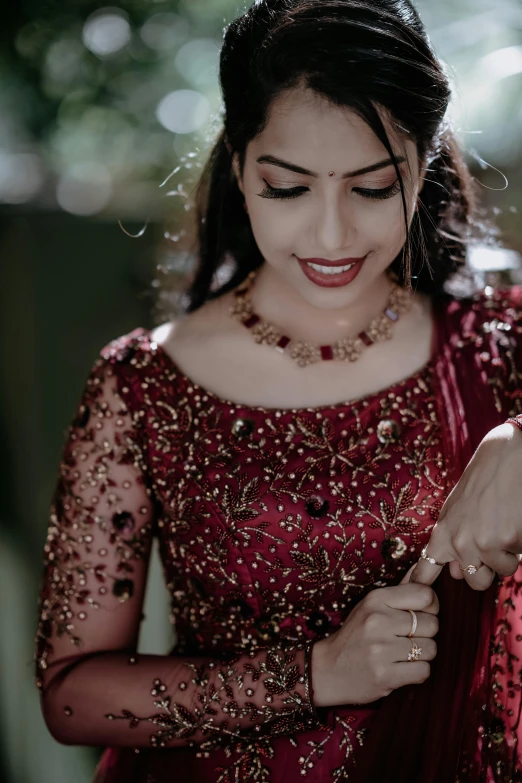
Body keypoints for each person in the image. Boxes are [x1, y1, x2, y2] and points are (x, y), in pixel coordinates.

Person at [33, 1, 522, 781]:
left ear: (423, 166)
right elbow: (70, 695)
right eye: (288, 189)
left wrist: (517, 439)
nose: (331, 236)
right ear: (238, 167)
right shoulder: (141, 384)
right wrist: (318, 671)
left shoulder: (497, 344)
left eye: (371, 189)